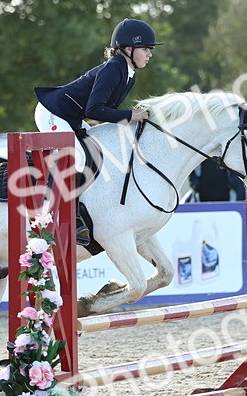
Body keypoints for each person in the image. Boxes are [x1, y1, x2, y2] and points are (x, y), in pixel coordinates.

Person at [32, 17, 160, 243]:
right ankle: (55, 215)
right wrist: (130, 115)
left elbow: (104, 109)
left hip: (71, 115)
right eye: (146, 49)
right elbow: (95, 109)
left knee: (98, 153)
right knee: (79, 158)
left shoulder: (128, 73)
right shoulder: (114, 68)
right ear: (128, 49)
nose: (150, 54)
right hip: (53, 112)